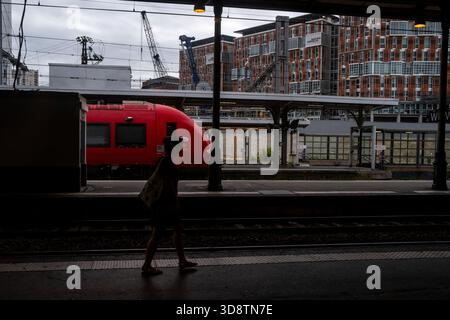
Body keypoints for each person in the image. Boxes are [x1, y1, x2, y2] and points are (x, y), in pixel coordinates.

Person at [139, 136, 197, 276]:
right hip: (165, 205)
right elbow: (168, 186)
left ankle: (182, 261)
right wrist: (174, 202)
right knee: (158, 234)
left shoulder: (165, 161)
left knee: (177, 230)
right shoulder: (168, 163)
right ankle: (146, 266)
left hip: (165, 204)